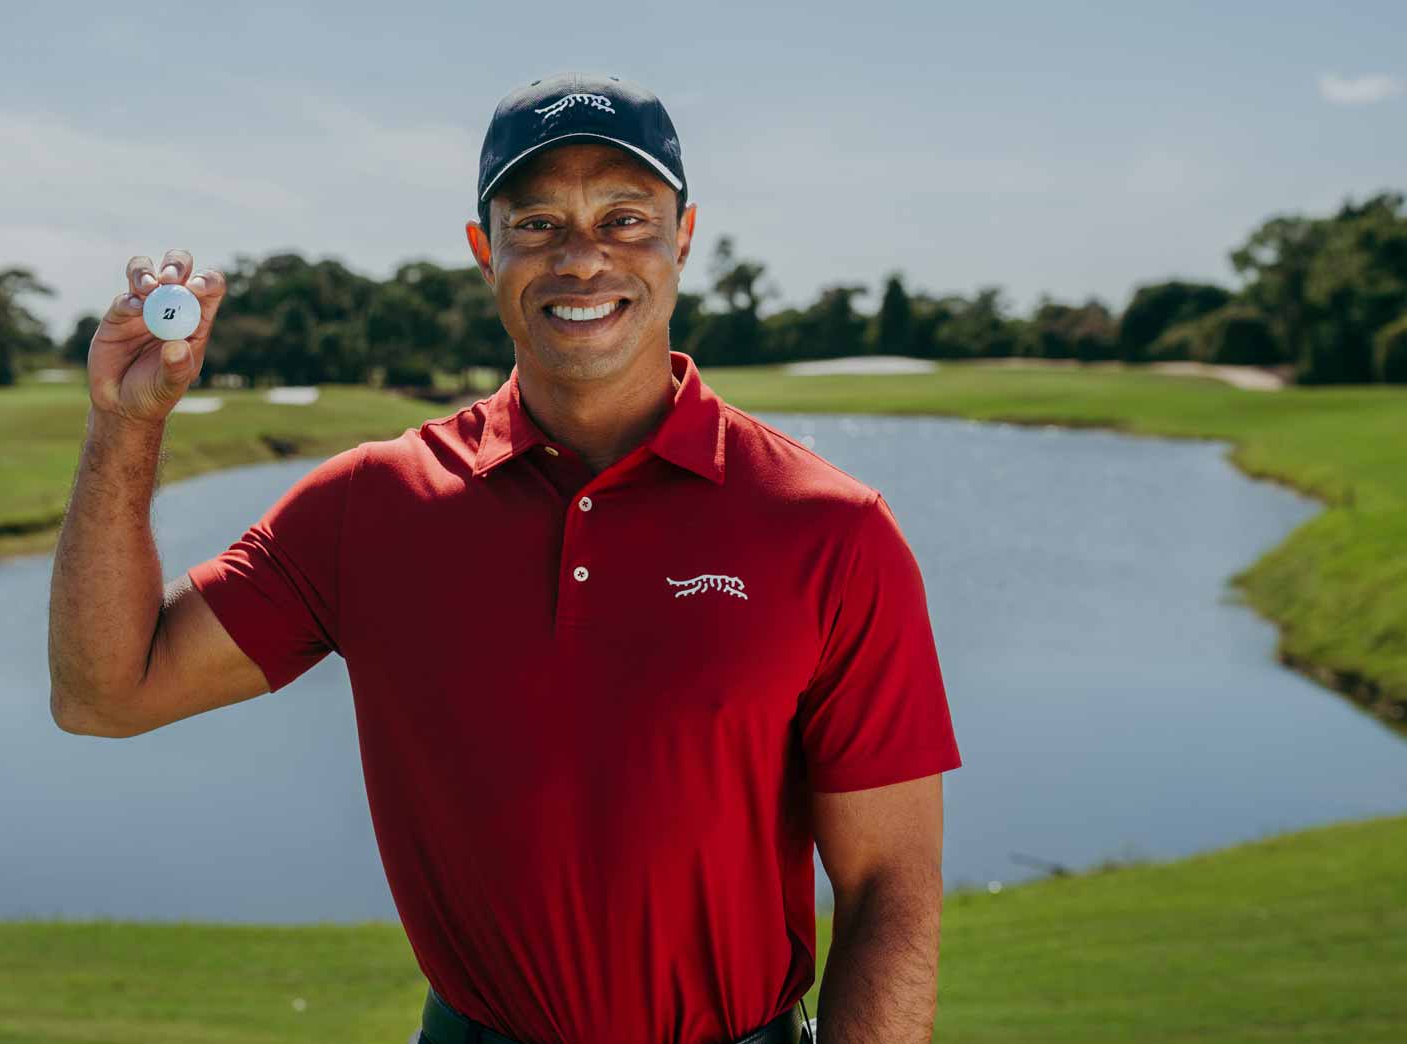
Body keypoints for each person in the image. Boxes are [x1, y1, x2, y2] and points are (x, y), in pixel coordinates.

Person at [49, 71, 963, 1044]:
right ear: (485, 249)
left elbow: (888, 890)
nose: (581, 259)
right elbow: (107, 693)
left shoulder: (831, 531)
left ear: (682, 237)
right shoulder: (371, 505)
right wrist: (127, 426)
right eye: (536, 224)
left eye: (623, 218)